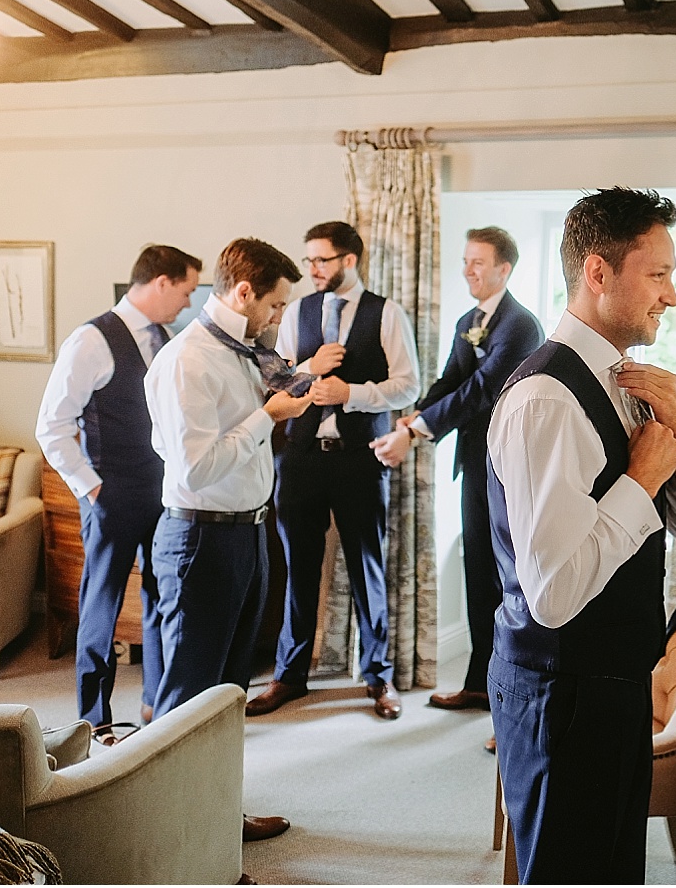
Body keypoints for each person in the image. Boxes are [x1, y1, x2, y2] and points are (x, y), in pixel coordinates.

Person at [485, 188, 676, 884]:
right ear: (598, 272)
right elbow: (552, 594)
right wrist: (640, 481)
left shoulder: (630, 383)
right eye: (658, 274)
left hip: (613, 683)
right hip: (563, 693)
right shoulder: (546, 400)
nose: (670, 295)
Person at [144, 237, 310, 843]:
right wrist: (268, 416)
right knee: (189, 697)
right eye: (275, 305)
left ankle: (215, 819)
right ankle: (170, 836)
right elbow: (194, 470)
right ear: (244, 292)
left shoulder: (245, 350)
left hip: (248, 533)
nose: (279, 318)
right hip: (200, 540)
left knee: (228, 691)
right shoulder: (191, 359)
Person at [246, 222, 421, 722]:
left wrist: (354, 394)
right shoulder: (297, 311)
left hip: (360, 459)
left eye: (321, 260)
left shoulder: (386, 313)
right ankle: (290, 674)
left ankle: (378, 676)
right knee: (298, 567)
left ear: (349, 260)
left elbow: (408, 386)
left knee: (368, 566)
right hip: (298, 459)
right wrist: (310, 366)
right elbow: (272, 378)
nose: (313, 270)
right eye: (310, 261)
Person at [371, 227, 543, 726]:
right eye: (465, 261)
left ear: (503, 269)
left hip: (509, 467)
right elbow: (453, 378)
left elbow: (484, 391)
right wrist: (413, 416)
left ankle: (507, 685)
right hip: (474, 460)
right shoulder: (470, 321)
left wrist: (419, 430)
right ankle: (477, 682)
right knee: (476, 572)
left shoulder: (520, 325)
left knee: (502, 573)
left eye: (478, 262)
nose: (468, 270)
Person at [35, 244, 200, 742]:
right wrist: (91, 487)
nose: (188, 303)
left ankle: (156, 703)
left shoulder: (168, 339)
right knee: (101, 605)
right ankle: (93, 717)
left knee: (161, 596)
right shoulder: (91, 340)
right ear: (162, 282)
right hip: (111, 493)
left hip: (165, 491)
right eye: (187, 291)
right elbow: (52, 426)